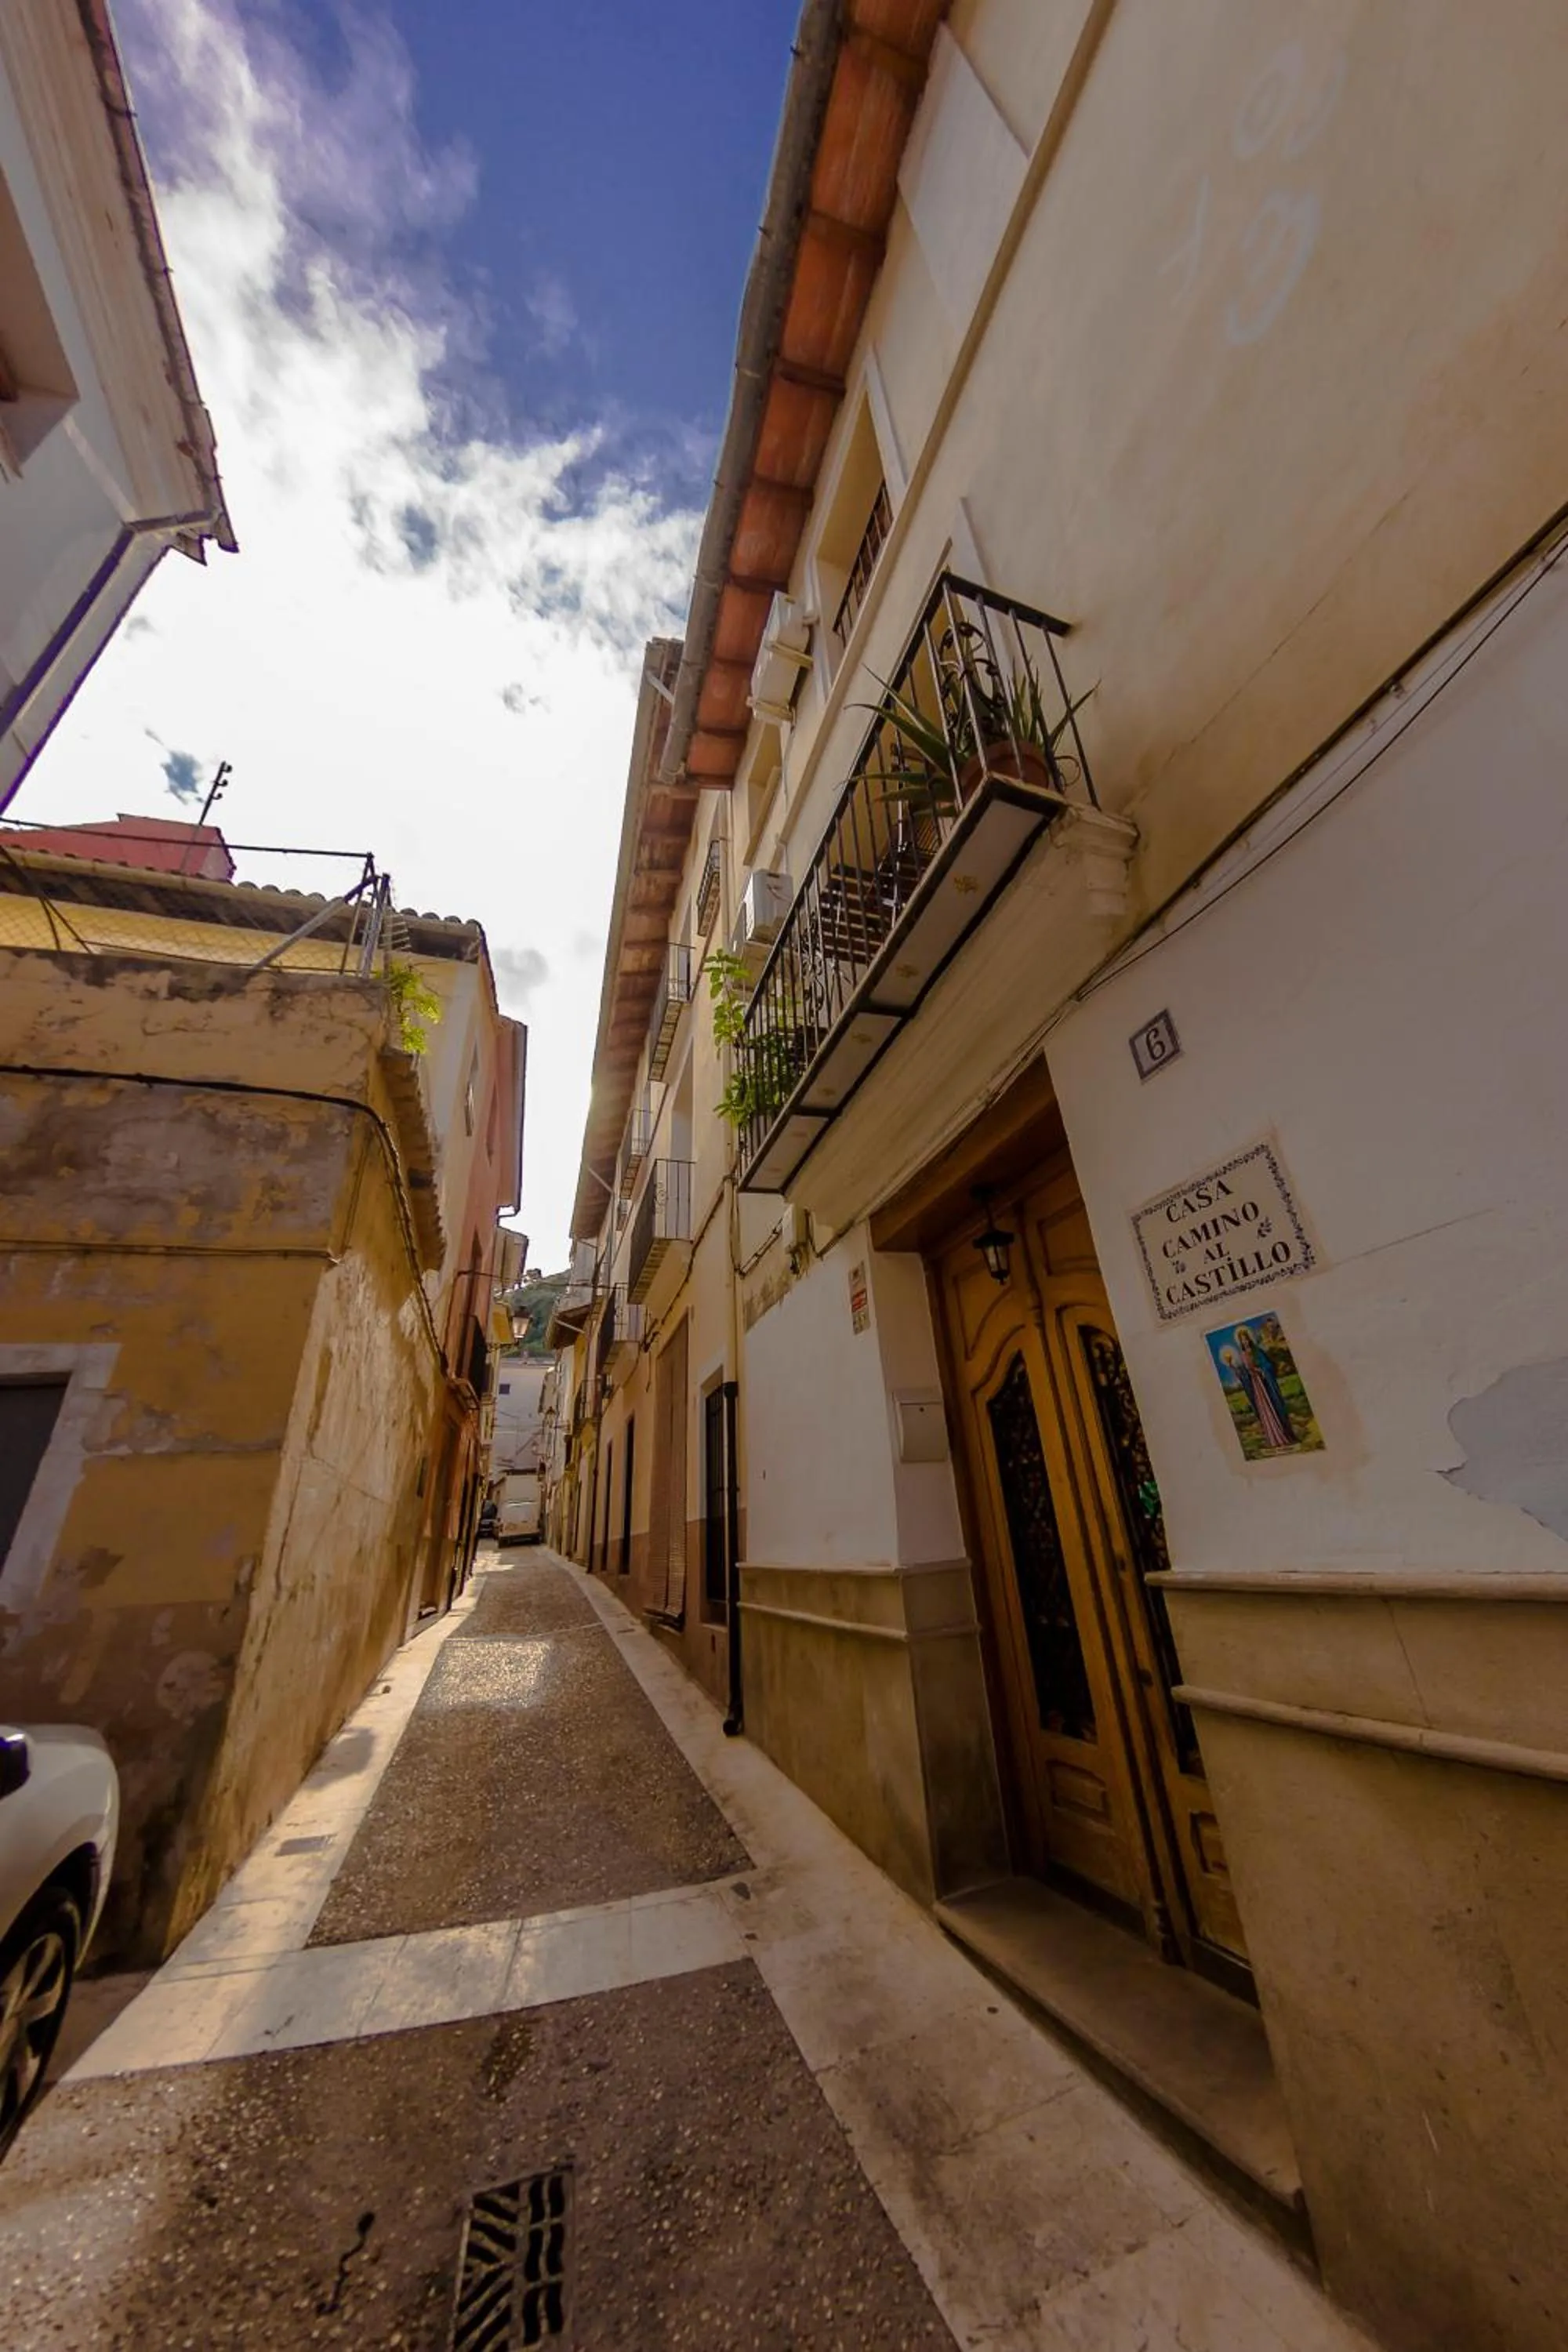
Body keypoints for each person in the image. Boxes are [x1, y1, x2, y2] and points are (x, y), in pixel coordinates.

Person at [1234, 1323, 1294, 1448]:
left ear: (1249, 1339)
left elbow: (1268, 1366)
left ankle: (1282, 1433)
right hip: (1256, 1386)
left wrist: (1262, 1371)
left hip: (1265, 1383)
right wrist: (1239, 1372)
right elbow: (1244, 1373)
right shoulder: (1243, 1355)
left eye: (1245, 1338)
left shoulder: (1258, 1351)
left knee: (1272, 1405)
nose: (1244, 1341)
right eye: (1241, 1340)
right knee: (1263, 1409)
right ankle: (1271, 1436)